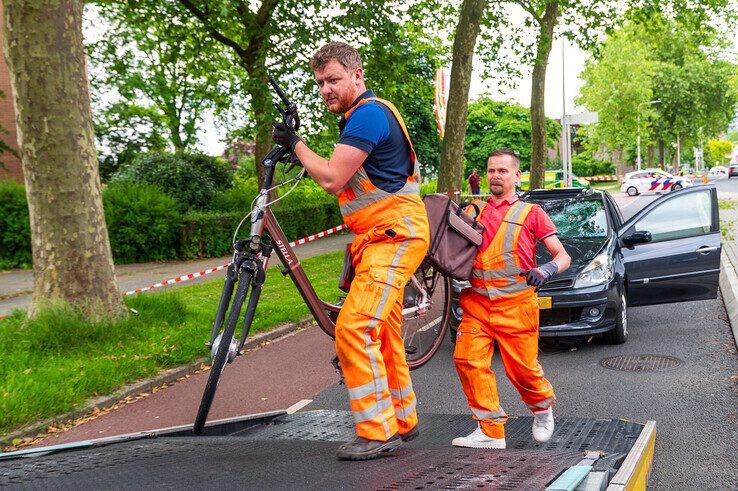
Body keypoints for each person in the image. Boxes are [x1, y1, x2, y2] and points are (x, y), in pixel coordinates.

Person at [272, 41, 429, 461]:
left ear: (357, 76)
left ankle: (377, 432)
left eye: (334, 79)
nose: (325, 89)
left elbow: (331, 178)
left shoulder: (368, 115)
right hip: (381, 237)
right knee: (382, 331)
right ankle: (402, 417)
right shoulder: (361, 117)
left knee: (354, 328)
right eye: (320, 82)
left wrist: (296, 144)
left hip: (394, 236)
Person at [452, 149, 571, 449]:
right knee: (467, 360)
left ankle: (542, 409)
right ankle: (490, 431)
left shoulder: (532, 214)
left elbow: (563, 256)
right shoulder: (473, 212)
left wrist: (546, 268)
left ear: (517, 175)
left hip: (517, 306)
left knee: (522, 371)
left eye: (502, 171)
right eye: (491, 170)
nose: (495, 176)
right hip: (477, 303)